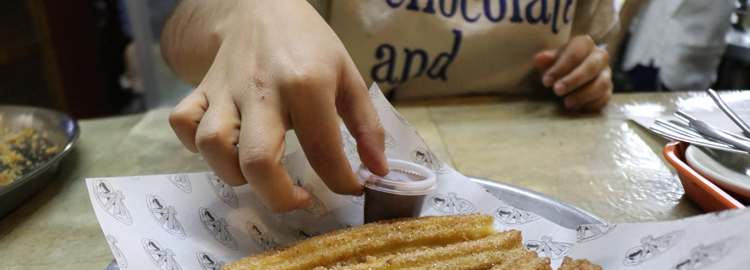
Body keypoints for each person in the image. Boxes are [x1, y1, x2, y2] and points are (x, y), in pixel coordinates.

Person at [161, 0, 618, 213]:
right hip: (339, 164)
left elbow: (586, 37)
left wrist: (584, 69)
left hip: (531, 160)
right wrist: (251, 13)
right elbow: (180, 33)